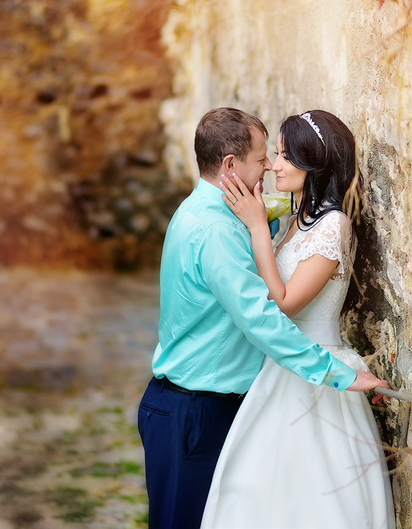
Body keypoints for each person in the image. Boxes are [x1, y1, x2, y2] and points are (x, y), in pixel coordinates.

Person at [137, 107, 389, 529]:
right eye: (264, 157)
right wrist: (341, 375)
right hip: (194, 412)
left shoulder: (219, 214)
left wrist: (263, 222)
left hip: (224, 402)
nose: (271, 165)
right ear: (231, 166)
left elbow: (286, 262)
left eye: (281, 155)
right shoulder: (216, 230)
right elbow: (261, 317)